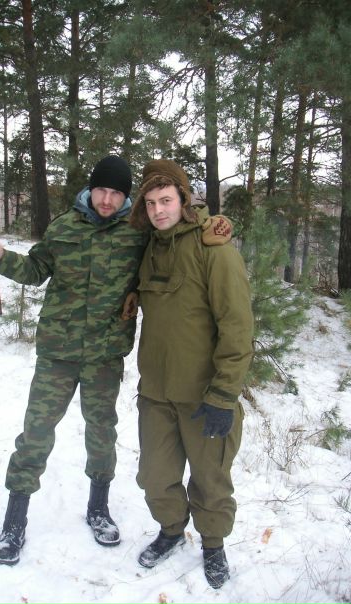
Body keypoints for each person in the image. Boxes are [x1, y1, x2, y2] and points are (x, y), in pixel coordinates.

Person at [0, 156, 147, 566]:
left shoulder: (137, 234)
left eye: (116, 193)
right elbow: (37, 269)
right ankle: (14, 521)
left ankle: (98, 509)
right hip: (58, 353)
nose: (107, 199)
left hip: (105, 356)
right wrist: (2, 259)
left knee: (102, 431)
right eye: (101, 189)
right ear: (90, 189)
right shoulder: (63, 227)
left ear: (126, 197)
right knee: (36, 432)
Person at [129, 159, 254, 589]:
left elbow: (237, 326)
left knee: (210, 479)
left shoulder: (212, 248)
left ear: (183, 199)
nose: (158, 210)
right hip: (156, 393)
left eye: (166, 200)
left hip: (204, 395)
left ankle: (213, 544)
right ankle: (170, 530)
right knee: (155, 476)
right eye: (150, 203)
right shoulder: (149, 246)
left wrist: (223, 395)